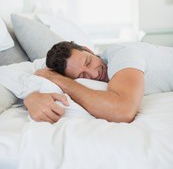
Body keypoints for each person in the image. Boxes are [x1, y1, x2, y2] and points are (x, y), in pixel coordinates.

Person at [24, 41, 173, 124]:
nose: (94, 74)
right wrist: (31, 98)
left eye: (88, 62)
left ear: (88, 49)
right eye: (83, 75)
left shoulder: (122, 55)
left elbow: (123, 110)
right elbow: (38, 75)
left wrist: (60, 80)